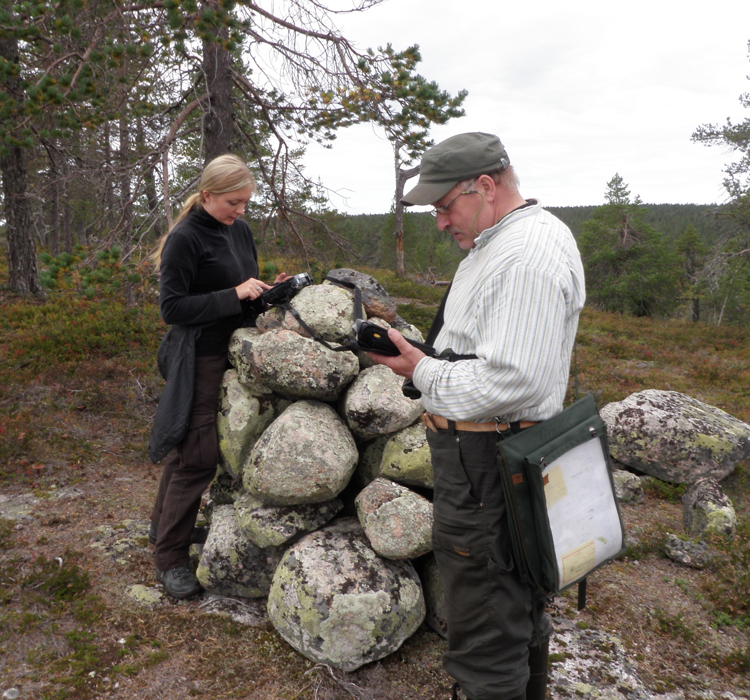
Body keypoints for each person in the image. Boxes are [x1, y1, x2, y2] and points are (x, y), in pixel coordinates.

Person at [366, 132, 585, 700]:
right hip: (489, 458)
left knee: (485, 622)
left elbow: (512, 378)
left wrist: (421, 371)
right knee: (511, 604)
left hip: (488, 463)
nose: (440, 222)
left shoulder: (525, 258)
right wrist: (424, 360)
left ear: (485, 187)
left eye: (445, 206)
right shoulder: (503, 242)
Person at [147, 154, 286, 599]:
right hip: (199, 356)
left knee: (189, 450)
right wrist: (233, 294)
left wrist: (266, 292)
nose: (241, 210)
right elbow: (173, 310)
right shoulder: (185, 238)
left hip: (233, 353)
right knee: (198, 456)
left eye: (245, 202)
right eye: (233, 201)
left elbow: (242, 294)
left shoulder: (239, 230)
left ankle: (160, 530)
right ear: (207, 195)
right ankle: (169, 559)